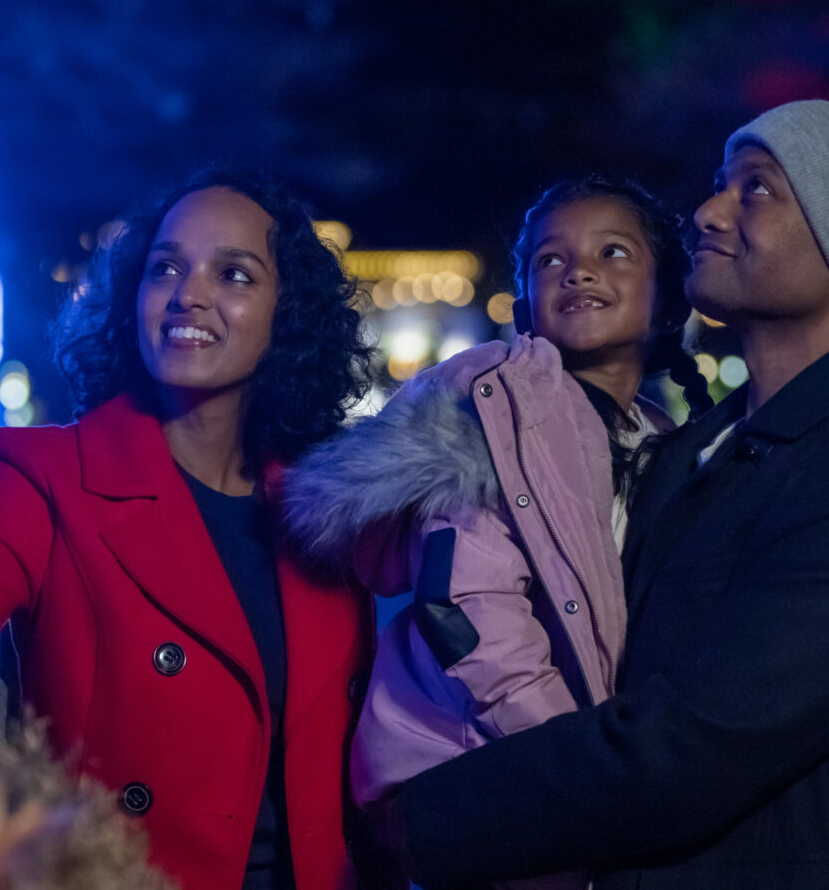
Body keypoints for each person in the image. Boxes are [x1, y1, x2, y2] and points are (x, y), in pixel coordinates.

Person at [377, 100, 829, 889]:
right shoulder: (693, 450)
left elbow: (692, 748)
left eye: (756, 189)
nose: (708, 212)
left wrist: (419, 824)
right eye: (719, 184)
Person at [0, 168, 376, 890]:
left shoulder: (327, 504)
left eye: (234, 273)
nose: (187, 294)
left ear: (286, 313)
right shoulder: (47, 481)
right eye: (165, 267)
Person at [282, 177, 711, 885]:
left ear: (665, 294)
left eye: (613, 252)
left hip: (569, 771)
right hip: (472, 766)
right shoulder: (505, 406)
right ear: (524, 303)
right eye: (551, 259)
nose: (579, 269)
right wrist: (584, 757)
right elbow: (470, 610)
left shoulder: (655, 441)